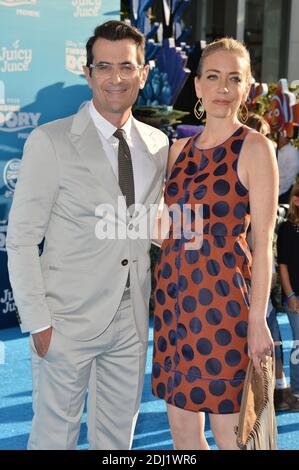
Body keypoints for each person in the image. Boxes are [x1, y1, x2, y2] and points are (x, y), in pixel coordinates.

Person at [6, 20, 169, 450]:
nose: (116, 78)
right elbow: (21, 238)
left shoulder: (157, 144)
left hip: (132, 320)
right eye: (104, 67)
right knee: (52, 439)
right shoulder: (51, 141)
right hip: (66, 322)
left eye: (127, 67)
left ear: (144, 73)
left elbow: (150, 225)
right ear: (88, 72)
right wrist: (38, 321)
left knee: (118, 443)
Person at [151, 38, 278, 450]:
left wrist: (257, 319)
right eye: (213, 77)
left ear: (247, 88)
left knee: (231, 437)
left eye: (233, 78)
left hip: (223, 309)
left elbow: (264, 247)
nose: (222, 86)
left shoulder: (255, 148)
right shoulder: (177, 151)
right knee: (183, 434)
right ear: (199, 86)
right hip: (174, 304)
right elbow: (167, 228)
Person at [244, 114, 299, 411]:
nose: (267, 140)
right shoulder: (247, 182)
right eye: (262, 133)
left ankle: (277, 391)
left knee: (273, 338)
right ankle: (267, 393)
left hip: (263, 280)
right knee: (267, 338)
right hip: (250, 281)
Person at [277, 182, 299, 403]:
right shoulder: (286, 229)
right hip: (296, 297)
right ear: (296, 200)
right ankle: (296, 390)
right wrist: (290, 295)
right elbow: (282, 264)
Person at [277, 133, 299, 204]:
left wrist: (278, 192)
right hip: (274, 189)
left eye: (284, 133)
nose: (281, 136)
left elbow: (289, 177)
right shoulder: (274, 149)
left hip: (286, 192)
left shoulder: (293, 153)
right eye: (281, 133)